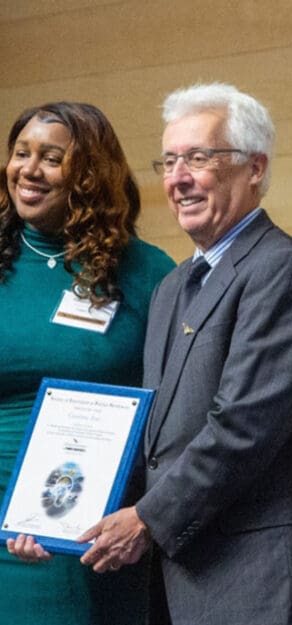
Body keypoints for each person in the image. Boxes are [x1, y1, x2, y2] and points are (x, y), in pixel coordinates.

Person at [79, 82, 292, 625]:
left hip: (255, 575)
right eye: (169, 161)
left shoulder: (280, 268)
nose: (177, 178)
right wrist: (66, 515)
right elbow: (158, 438)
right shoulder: (172, 286)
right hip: (177, 576)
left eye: (198, 157)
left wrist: (147, 519)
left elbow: (244, 425)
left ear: (255, 168)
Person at [1, 101, 176, 625]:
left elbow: (177, 408)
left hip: (93, 537)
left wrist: (145, 517)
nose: (28, 170)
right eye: (20, 153)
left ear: (92, 174)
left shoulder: (148, 274)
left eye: (51, 158)